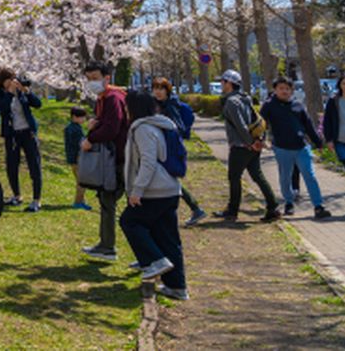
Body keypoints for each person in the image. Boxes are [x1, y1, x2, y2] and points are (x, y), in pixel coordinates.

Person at [119, 91, 189, 301]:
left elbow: (148, 162)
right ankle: (177, 287)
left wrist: (137, 190)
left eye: (126, 105)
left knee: (129, 222)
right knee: (168, 238)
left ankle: (153, 260)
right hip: (170, 189)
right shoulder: (162, 124)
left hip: (154, 191)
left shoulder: (143, 129)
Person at [213, 70, 281, 222]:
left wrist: (250, 143)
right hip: (253, 143)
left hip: (241, 145)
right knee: (257, 175)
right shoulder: (246, 98)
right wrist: (257, 141)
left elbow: (240, 126)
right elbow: (256, 119)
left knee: (234, 177)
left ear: (229, 83)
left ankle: (232, 211)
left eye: (222, 82)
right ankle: (273, 207)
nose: (221, 85)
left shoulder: (231, 102)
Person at [262, 77, 331, 219]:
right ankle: (288, 202)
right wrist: (261, 139)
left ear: (291, 90)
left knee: (310, 176)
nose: (284, 91)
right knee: (285, 178)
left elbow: (309, 125)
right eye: (281, 88)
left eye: (287, 89)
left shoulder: (298, 105)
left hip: (301, 147)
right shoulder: (269, 106)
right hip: (282, 148)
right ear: (275, 90)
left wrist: (318, 142)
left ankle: (318, 206)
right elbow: (262, 124)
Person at [81, 61, 129, 262]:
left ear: (106, 78)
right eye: (89, 79)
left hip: (119, 159)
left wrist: (90, 138)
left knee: (110, 201)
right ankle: (106, 245)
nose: (92, 83)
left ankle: (108, 246)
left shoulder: (112, 98)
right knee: (107, 200)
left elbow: (112, 128)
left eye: (95, 78)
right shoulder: (103, 98)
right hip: (114, 159)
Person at [150, 78, 206, 227]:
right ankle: (195, 209)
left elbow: (178, 127)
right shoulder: (158, 104)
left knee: (170, 179)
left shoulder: (170, 106)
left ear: (167, 90)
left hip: (170, 149)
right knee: (169, 178)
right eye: (155, 88)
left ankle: (194, 208)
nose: (158, 91)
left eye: (161, 88)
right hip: (162, 147)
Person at [0, 70, 43, 212]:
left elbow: (38, 104)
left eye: (14, 79)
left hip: (28, 133)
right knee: (12, 165)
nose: (13, 82)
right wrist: (10, 93)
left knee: (34, 164)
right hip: (12, 134)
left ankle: (36, 200)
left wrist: (26, 91)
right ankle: (17, 196)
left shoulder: (22, 92)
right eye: (9, 79)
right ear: (3, 81)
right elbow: (3, 109)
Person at [323, 73, 345, 189]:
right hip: (341, 141)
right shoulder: (333, 102)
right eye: (344, 83)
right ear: (339, 85)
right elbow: (327, 122)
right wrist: (329, 139)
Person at [64, 106, 91, 210]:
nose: (84, 119)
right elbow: (80, 144)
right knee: (82, 182)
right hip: (77, 159)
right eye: (82, 117)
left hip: (73, 158)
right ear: (74, 117)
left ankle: (81, 201)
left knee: (80, 181)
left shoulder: (72, 127)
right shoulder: (75, 129)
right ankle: (78, 202)